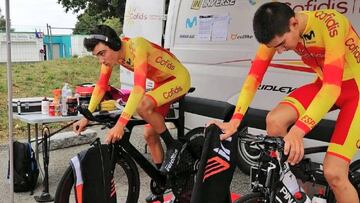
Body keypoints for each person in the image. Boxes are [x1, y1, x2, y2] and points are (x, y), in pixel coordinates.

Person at [211, 2, 359, 202]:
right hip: (324, 85)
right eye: (275, 47)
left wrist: (298, 131)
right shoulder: (279, 32)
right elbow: (254, 77)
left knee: (335, 174)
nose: (279, 51)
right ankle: (298, 190)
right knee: (274, 121)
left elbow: (332, 88)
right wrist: (235, 121)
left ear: (294, 23)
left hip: (354, 92)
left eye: (281, 44)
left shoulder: (331, 23)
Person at [72, 25, 191, 202]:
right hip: (161, 83)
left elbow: (138, 89)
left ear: (113, 45)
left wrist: (121, 123)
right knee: (149, 134)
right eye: (97, 55)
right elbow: (101, 85)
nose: (100, 60)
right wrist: (86, 116)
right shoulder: (112, 56)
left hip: (178, 79)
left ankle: (173, 145)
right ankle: (162, 181)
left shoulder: (137, 47)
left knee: (142, 106)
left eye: (102, 53)